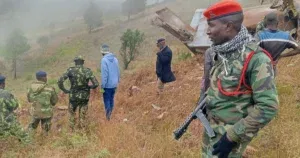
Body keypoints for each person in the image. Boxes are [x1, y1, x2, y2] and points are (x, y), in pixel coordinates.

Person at [202, 1, 279, 157]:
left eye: (211, 25)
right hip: (212, 132)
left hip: (229, 140)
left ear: (228, 26)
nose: (207, 31)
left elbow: (268, 107)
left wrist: (231, 137)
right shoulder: (220, 52)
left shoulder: (256, 59)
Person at [58, 56, 99, 130]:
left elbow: (60, 81)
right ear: (83, 62)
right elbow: (96, 84)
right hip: (84, 97)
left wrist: (65, 90)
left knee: (72, 115)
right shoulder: (87, 71)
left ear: (75, 62)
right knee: (83, 116)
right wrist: (89, 87)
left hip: (73, 96)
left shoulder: (70, 70)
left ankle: (72, 131)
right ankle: (83, 132)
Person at [0, 75, 30, 143]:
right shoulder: (5, 93)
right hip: (7, 122)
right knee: (24, 136)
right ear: (3, 84)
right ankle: (27, 146)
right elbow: (14, 105)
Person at [27, 71, 58, 136]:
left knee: (31, 128)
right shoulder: (50, 88)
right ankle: (45, 142)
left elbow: (29, 100)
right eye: (45, 77)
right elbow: (54, 102)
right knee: (45, 130)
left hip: (35, 112)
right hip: (46, 113)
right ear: (44, 78)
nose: (46, 78)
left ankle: (28, 142)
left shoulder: (31, 87)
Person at [100, 44, 120, 120]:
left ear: (102, 52)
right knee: (111, 99)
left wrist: (102, 86)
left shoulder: (104, 60)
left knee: (106, 100)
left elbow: (104, 74)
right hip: (114, 84)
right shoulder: (115, 59)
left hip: (107, 85)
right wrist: (118, 81)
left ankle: (108, 117)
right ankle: (110, 114)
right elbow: (118, 71)